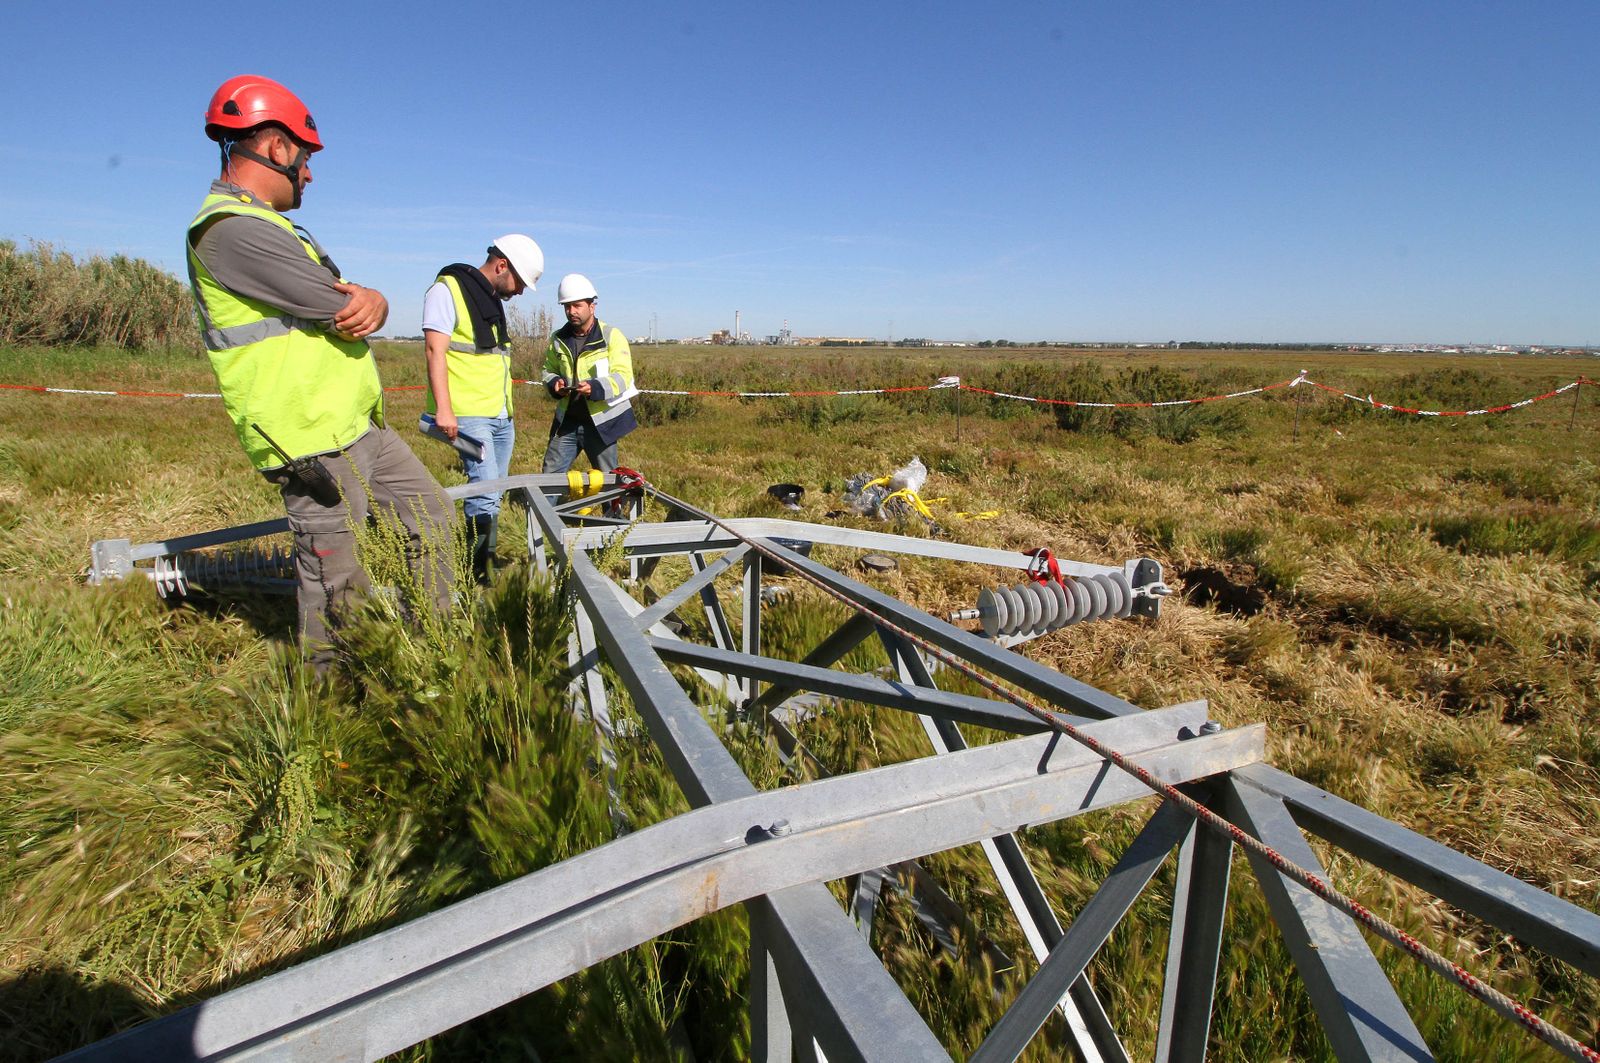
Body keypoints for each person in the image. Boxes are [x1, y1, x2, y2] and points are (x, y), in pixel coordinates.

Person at [185, 74, 454, 666]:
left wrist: (375, 299)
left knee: (433, 518)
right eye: (304, 159)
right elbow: (339, 306)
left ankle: (436, 648)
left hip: (357, 426)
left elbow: (355, 304)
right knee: (338, 582)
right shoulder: (230, 231)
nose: (309, 174)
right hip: (311, 440)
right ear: (276, 146)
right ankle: (330, 705)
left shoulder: (270, 227)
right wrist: (369, 300)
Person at [422, 235, 543, 583]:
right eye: (520, 282)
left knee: (494, 491)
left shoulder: (489, 300)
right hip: (469, 412)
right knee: (485, 489)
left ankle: (480, 562)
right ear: (502, 265)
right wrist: (444, 410)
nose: (520, 291)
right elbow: (434, 350)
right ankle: (477, 572)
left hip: (500, 415)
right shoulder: (446, 290)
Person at [540, 273, 637, 474]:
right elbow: (548, 370)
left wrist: (595, 388)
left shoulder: (611, 336)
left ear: (592, 307)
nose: (571, 311)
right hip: (567, 422)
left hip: (601, 423)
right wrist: (554, 383)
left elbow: (623, 376)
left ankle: (612, 499)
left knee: (608, 479)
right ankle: (548, 498)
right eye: (567, 306)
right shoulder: (558, 339)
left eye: (577, 305)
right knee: (550, 477)